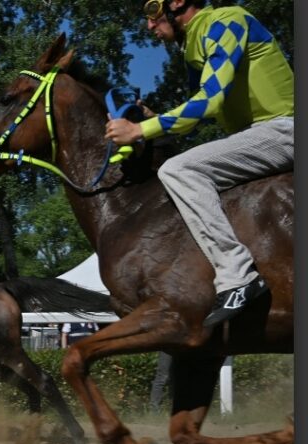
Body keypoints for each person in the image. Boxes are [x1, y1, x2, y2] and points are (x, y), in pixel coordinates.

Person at [105, 0, 293, 327]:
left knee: (179, 169)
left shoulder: (226, 21)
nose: (149, 26)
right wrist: (151, 117)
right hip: (262, 134)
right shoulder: (193, 48)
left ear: (177, 2)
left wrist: (139, 129)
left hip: (285, 128)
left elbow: (209, 101)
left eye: (151, 10)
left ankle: (238, 275)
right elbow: (195, 114)